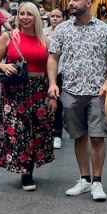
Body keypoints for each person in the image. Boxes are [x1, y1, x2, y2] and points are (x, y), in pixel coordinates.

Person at [47, 0, 107, 201]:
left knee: (97, 138)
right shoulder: (62, 29)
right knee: (79, 137)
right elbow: (53, 57)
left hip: (98, 92)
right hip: (71, 90)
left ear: (88, 3)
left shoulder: (104, 29)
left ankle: (97, 182)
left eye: (75, 0)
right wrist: (52, 82)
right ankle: (84, 179)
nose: (70, 3)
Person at [0, 2, 56, 191]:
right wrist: (4, 66)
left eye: (29, 14)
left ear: (36, 17)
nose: (25, 17)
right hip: (14, 90)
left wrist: (52, 92)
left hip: (38, 89)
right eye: (22, 14)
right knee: (18, 130)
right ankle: (25, 172)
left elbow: (50, 67)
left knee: (37, 131)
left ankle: (28, 169)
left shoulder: (45, 40)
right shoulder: (8, 37)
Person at [46, 8, 66, 149]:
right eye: (52, 16)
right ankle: (44, 133)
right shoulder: (42, 32)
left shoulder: (67, 33)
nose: (54, 19)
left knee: (58, 105)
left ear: (63, 18)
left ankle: (57, 134)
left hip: (61, 73)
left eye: (57, 16)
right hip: (43, 72)